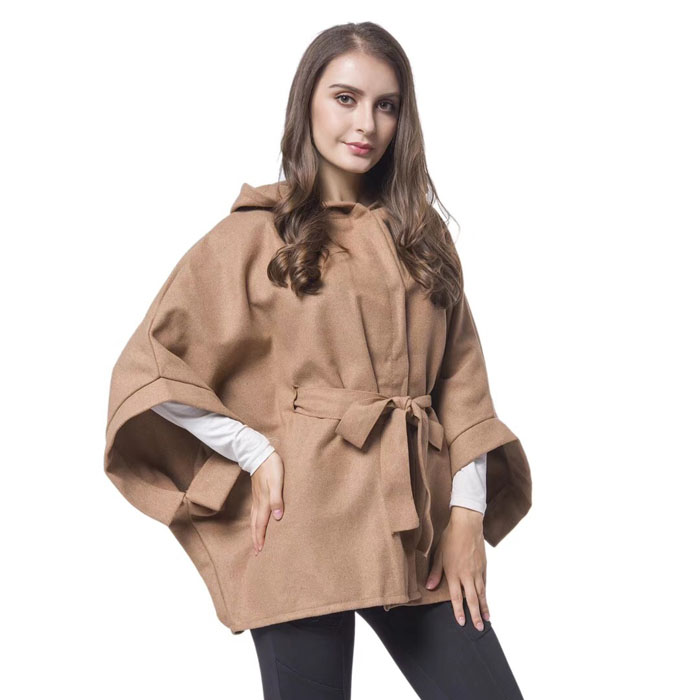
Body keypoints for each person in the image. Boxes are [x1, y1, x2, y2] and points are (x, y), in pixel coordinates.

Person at [104, 21, 532, 699]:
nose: (366, 124)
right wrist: (254, 452)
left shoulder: (422, 236)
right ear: (307, 100)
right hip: (301, 525)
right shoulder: (253, 235)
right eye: (345, 98)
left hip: (417, 522)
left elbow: (462, 382)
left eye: (386, 105)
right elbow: (151, 367)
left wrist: (467, 516)